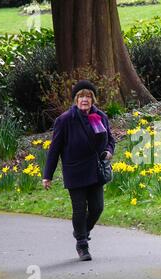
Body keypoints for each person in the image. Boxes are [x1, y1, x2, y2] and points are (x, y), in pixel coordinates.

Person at [42, 80, 116, 261]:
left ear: (93, 99)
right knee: (79, 209)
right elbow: (54, 149)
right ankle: (82, 244)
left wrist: (108, 152)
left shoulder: (100, 117)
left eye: (88, 96)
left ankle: (81, 231)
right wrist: (47, 176)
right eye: (81, 96)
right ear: (76, 99)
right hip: (75, 172)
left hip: (96, 170)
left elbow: (111, 140)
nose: (85, 99)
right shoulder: (65, 120)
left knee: (97, 208)